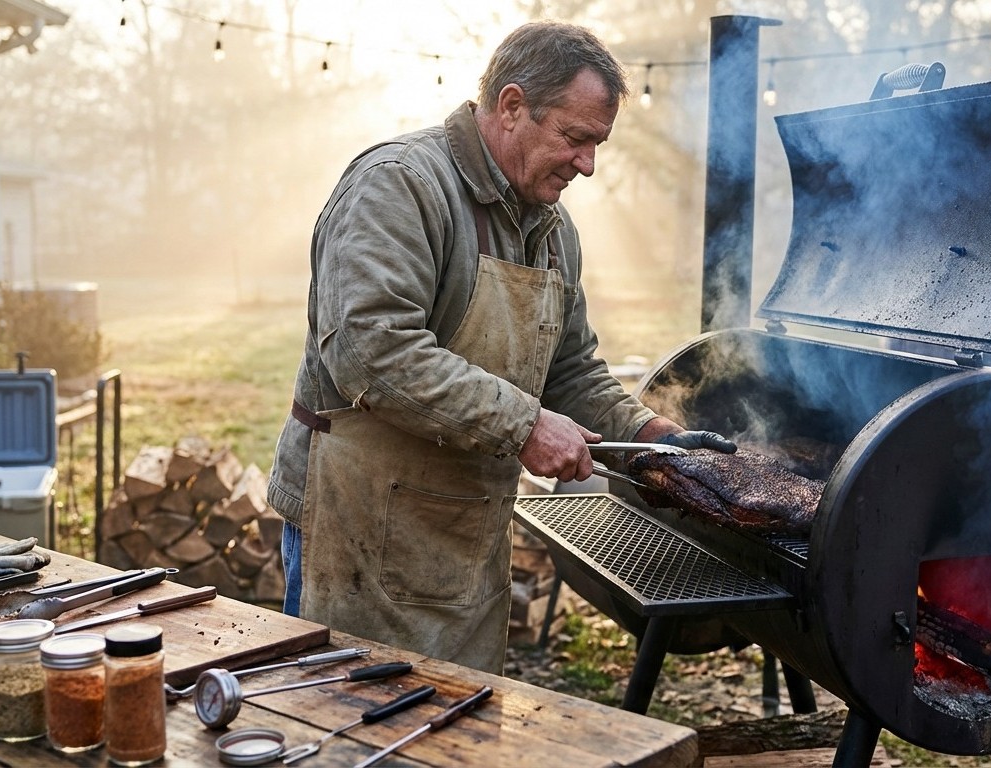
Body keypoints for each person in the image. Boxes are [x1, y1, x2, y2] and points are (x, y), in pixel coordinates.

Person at [265, 21, 735, 674]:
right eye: (575, 139)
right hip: (359, 527)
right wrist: (523, 425)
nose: (587, 165)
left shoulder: (551, 229)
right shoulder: (398, 185)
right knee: (343, 726)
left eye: (597, 145)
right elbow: (370, 352)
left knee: (459, 728)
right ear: (512, 106)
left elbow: (569, 371)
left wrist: (651, 438)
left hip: (464, 529)